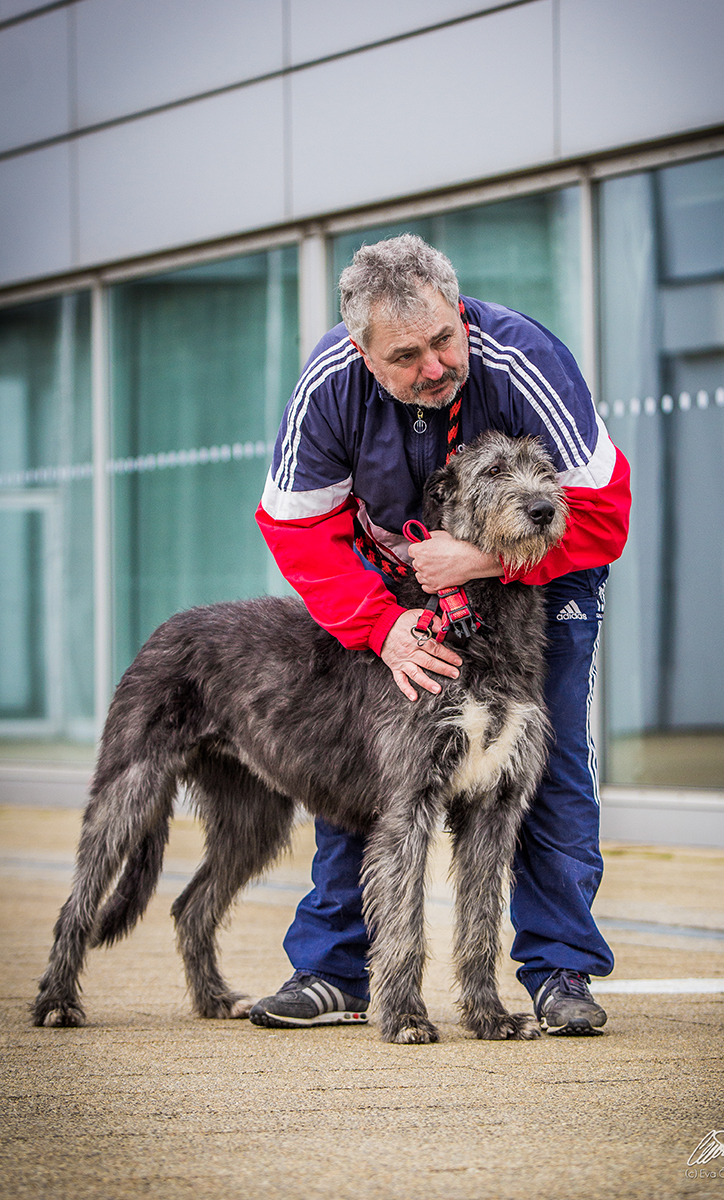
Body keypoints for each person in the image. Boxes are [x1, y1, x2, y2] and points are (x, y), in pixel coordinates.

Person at [250, 234, 631, 1035]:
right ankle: (336, 968)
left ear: (460, 311)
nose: (434, 365)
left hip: (550, 572)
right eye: (406, 355)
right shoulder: (331, 385)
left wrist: (485, 560)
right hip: (398, 587)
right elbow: (295, 527)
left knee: (550, 768)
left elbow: (602, 512)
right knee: (376, 769)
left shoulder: (525, 358)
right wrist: (378, 624)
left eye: (444, 339)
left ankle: (559, 970)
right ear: (362, 352)